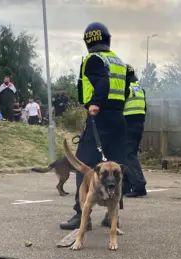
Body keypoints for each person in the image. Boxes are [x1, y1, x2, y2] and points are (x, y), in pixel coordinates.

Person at [59, 22, 131, 231]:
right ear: (107, 39)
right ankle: (112, 216)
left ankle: (81, 214)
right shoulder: (118, 61)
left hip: (99, 118)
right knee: (116, 170)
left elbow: (103, 83)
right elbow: (125, 90)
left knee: (84, 166)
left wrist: (95, 104)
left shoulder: (94, 60)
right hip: (119, 119)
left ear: (88, 41)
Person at [123, 64, 148, 198]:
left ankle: (139, 186)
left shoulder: (125, 88)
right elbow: (145, 109)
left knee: (128, 156)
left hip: (128, 124)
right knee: (127, 155)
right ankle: (126, 186)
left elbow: (119, 107)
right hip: (138, 125)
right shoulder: (139, 89)